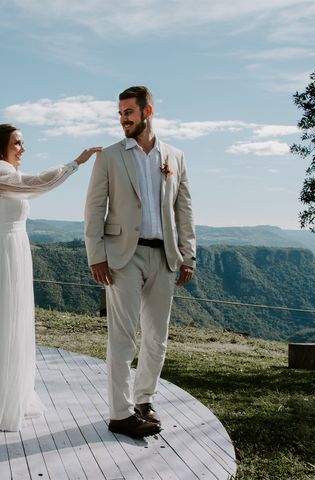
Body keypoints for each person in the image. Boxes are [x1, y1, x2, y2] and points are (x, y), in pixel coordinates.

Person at [0, 124, 101, 437]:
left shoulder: (4, 172)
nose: (23, 149)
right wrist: (76, 163)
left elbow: (32, 187)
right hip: (3, 255)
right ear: (3, 146)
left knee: (13, 326)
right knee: (1, 326)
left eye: (24, 143)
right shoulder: (0, 171)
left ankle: (10, 396)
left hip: (16, 251)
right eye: (18, 143)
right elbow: (37, 183)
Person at [84, 86, 196, 439]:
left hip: (164, 256)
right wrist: (96, 255)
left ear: (148, 111)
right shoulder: (110, 157)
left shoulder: (174, 157)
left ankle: (144, 400)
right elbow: (93, 208)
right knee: (122, 338)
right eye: (120, 113)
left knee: (156, 338)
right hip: (122, 257)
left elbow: (184, 208)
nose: (123, 119)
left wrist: (188, 253)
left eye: (128, 112)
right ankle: (119, 413)